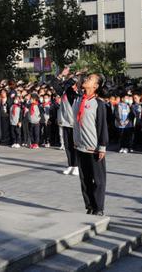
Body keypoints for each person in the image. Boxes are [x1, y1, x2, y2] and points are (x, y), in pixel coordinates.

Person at [72, 73, 108, 215]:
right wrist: (74, 76)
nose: (87, 79)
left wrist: (102, 146)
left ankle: (99, 208)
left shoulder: (98, 103)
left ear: (96, 86)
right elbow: (60, 87)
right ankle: (90, 206)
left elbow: (102, 126)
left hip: (93, 148)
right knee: (85, 179)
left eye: (91, 78)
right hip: (80, 146)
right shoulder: (78, 99)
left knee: (98, 181)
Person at [52, 67, 80, 176]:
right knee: (68, 146)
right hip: (65, 122)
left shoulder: (73, 93)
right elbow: (54, 84)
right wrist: (61, 75)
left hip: (74, 124)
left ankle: (77, 166)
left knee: (75, 145)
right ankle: (71, 165)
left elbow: (68, 84)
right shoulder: (63, 93)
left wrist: (72, 77)